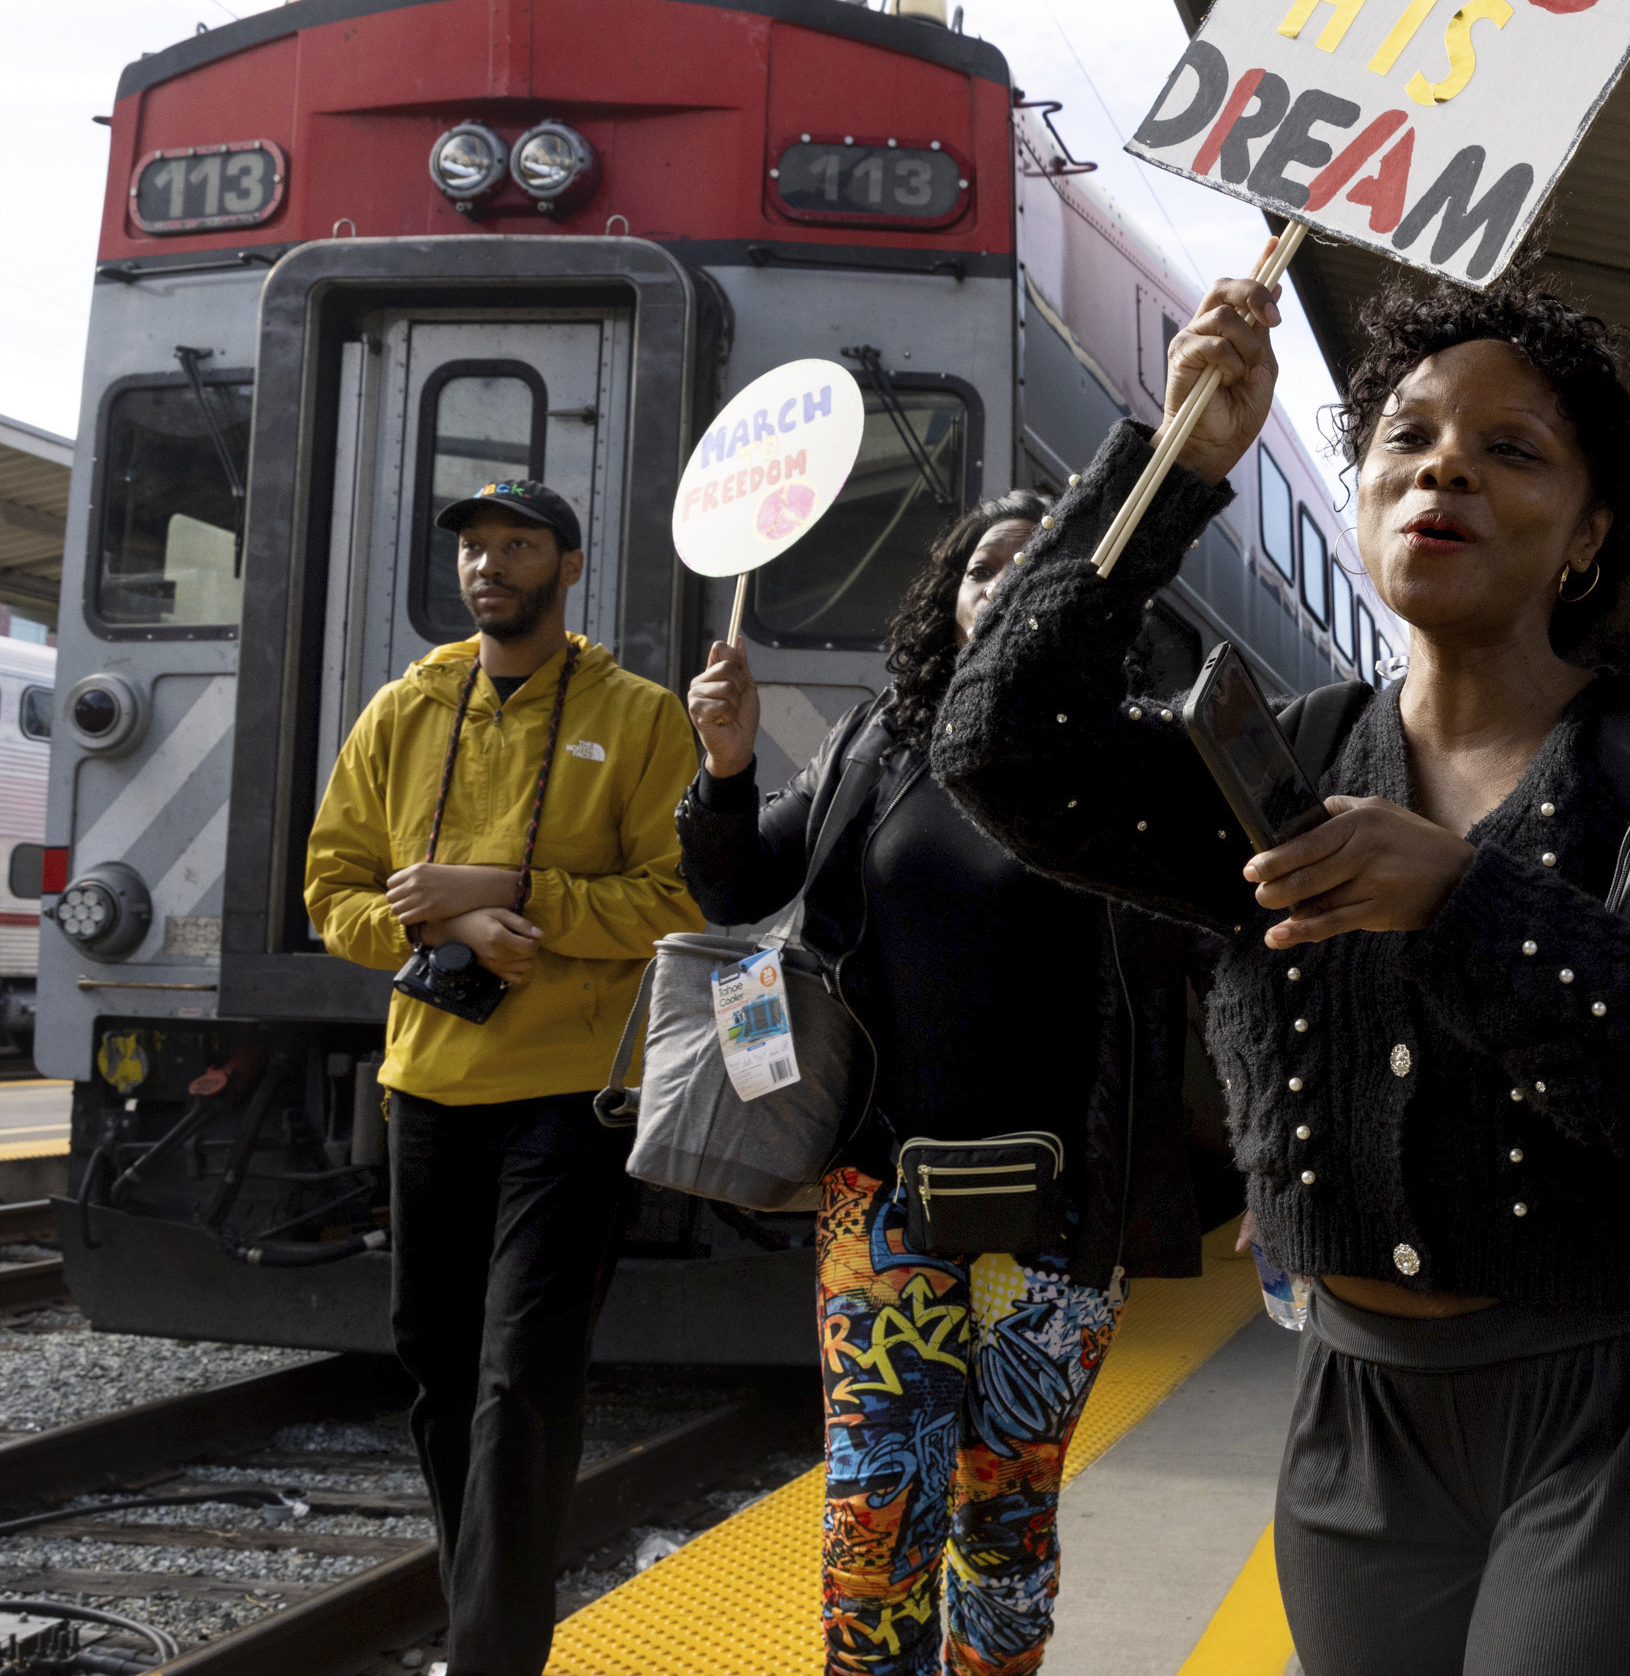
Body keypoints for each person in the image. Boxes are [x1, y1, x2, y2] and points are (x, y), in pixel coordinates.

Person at [933, 262, 1630, 1676]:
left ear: (1589, 535)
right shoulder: (1280, 761)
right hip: (1361, 1421)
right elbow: (999, 746)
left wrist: (1468, 904)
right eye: (1408, 438)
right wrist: (1175, 464)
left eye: (1513, 449)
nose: (1448, 468)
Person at [679, 494, 1204, 1676]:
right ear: (949, 598)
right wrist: (722, 768)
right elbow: (736, 881)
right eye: (984, 568)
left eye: (1041, 570)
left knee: (1004, 1524)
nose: (1006, 587)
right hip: (884, 1202)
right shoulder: (878, 741)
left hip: (1065, 1221)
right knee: (873, 1530)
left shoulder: (1130, 762)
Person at [302, 478, 702, 1676]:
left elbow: (679, 898)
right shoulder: (403, 712)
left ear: (568, 569)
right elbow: (335, 891)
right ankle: (484, 1598)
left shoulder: (637, 719)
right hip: (428, 1081)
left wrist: (517, 896)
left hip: (571, 1093)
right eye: (476, 549)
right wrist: (441, 933)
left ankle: (490, 1654)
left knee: (523, 1378)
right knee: (434, 1356)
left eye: (517, 546)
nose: (490, 566)